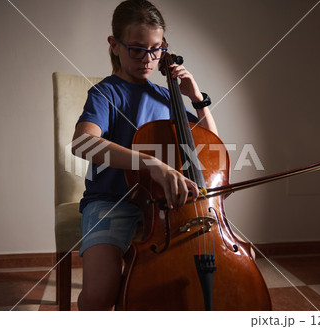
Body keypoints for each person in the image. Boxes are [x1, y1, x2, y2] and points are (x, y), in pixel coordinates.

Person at [72, 0, 217, 311]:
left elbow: (211, 146)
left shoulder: (166, 97)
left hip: (169, 207)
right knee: (98, 297)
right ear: (114, 45)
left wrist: (197, 99)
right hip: (112, 202)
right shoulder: (105, 93)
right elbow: (83, 143)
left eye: (156, 49)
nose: (148, 59)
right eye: (137, 49)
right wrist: (151, 164)